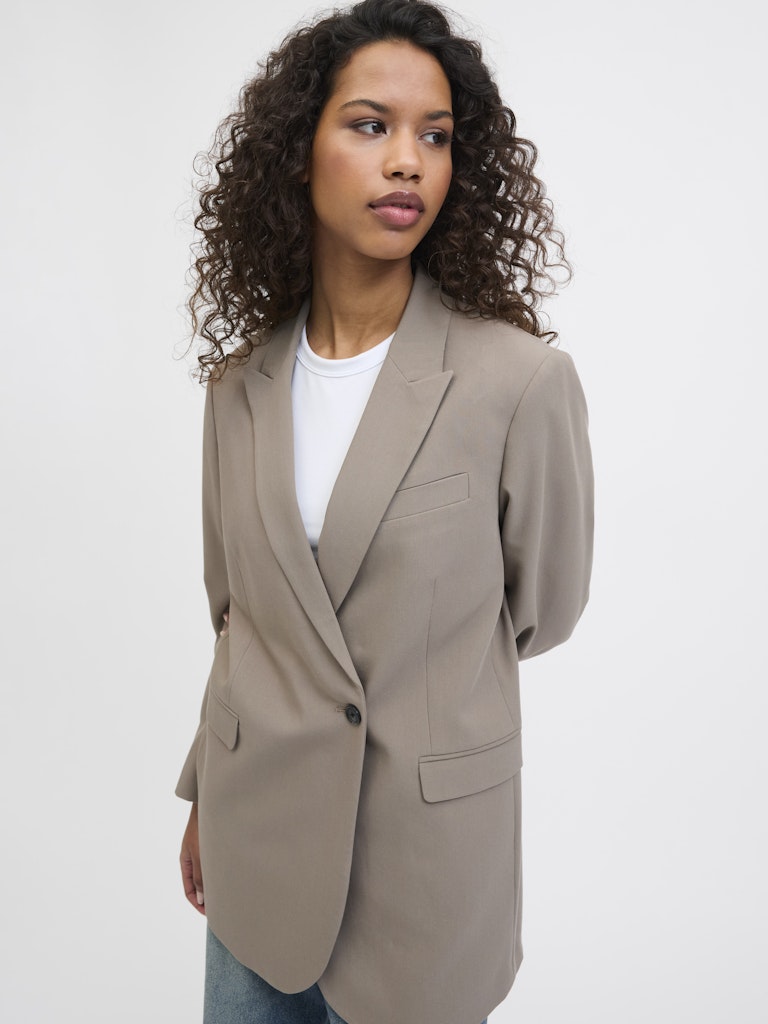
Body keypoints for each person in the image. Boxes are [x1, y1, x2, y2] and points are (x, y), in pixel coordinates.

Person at [176, 1, 594, 1022]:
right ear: (297, 152)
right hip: (255, 843)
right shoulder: (239, 390)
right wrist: (201, 793)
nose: (407, 160)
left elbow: (543, 610)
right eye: (371, 125)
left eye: (435, 136)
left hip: (423, 867)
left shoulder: (518, 383)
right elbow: (241, 620)